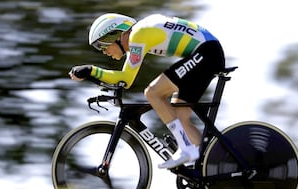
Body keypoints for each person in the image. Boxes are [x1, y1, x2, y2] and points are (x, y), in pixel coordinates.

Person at [68, 13, 225, 169]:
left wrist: (90, 70)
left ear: (115, 34)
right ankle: (209, 167)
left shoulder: (138, 34)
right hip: (207, 53)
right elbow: (123, 79)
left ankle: (186, 148)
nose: (103, 51)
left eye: (102, 44)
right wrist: (96, 77)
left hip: (207, 53)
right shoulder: (139, 35)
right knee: (180, 117)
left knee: (153, 93)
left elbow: (126, 79)